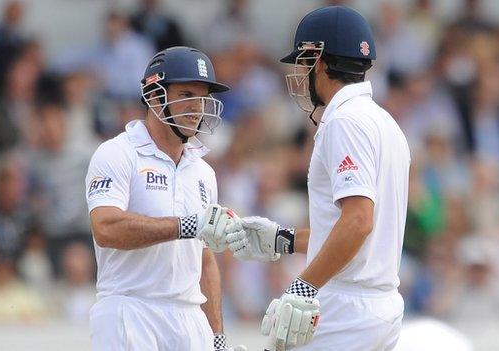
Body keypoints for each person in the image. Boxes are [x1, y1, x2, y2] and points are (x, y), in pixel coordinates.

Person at [224, 6, 411, 350]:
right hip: (377, 306)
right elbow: (353, 230)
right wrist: (284, 239)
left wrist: (303, 286)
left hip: (344, 307)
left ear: (320, 61)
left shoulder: (344, 120)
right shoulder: (385, 123)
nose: (301, 71)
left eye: (304, 61)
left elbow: (358, 221)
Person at [86, 46, 245, 351]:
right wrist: (186, 225)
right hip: (130, 309)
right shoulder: (117, 153)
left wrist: (218, 339)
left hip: (189, 317)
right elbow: (105, 228)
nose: (197, 107)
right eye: (186, 94)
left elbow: (205, 261)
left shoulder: (203, 172)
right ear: (155, 96)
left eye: (202, 97)